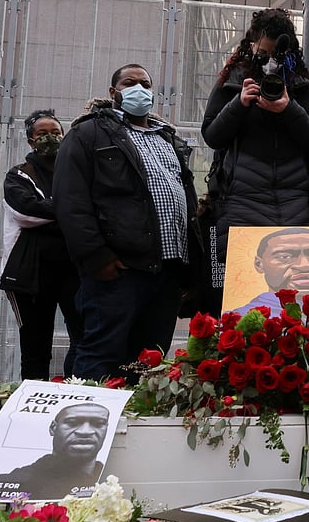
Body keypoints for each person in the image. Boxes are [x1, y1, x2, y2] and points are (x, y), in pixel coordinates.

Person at [54, 64, 202, 381]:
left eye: (145, 84)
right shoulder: (88, 134)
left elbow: (186, 199)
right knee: (101, 354)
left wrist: (191, 267)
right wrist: (97, 257)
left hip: (167, 271)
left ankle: (134, 421)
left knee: (149, 360)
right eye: (129, 82)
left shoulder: (169, 138)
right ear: (113, 92)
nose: (138, 88)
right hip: (119, 270)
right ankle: (87, 423)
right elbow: (70, 201)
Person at [202, 8, 309, 238]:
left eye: (276, 54)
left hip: (293, 204)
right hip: (241, 205)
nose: (269, 62)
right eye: (263, 53)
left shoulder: (298, 83)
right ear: (251, 45)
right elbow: (212, 135)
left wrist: (288, 109)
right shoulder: (233, 81)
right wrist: (239, 104)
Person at [0, 109, 84, 380]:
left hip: (74, 271)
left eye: (56, 132)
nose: (50, 138)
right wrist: (71, 213)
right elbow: (26, 212)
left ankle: (75, 392)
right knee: (35, 348)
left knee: (83, 340)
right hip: (29, 276)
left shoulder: (77, 172)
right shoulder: (18, 176)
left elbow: (91, 210)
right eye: (42, 134)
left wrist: (59, 213)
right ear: (30, 141)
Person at [0, 403, 110, 500]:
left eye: (98, 424)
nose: (85, 432)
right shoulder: (9, 482)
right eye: (72, 423)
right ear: (53, 428)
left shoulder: (113, 484)